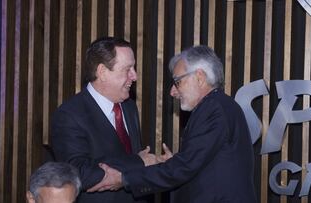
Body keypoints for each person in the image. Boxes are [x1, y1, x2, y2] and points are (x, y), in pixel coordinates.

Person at [88, 45, 258, 202]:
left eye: (178, 82)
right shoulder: (217, 106)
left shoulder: (214, 109)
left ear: (199, 77)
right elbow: (200, 164)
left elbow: (185, 167)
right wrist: (174, 163)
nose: (172, 91)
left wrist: (124, 178)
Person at [51, 37, 155, 202]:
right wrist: (138, 162)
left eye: (133, 68)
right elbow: (78, 174)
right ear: (102, 72)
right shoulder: (69, 115)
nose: (134, 76)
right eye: (128, 69)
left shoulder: (129, 107)